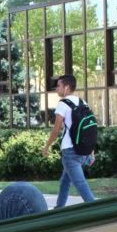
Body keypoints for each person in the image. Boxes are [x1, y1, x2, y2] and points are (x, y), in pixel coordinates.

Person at [40, 74, 96, 208]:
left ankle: (97, 212)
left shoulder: (63, 104)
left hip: (70, 152)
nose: (56, 89)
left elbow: (56, 129)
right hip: (83, 151)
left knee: (80, 185)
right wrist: (91, 151)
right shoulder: (83, 102)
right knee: (65, 182)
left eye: (58, 86)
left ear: (66, 87)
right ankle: (59, 209)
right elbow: (89, 129)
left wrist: (46, 146)